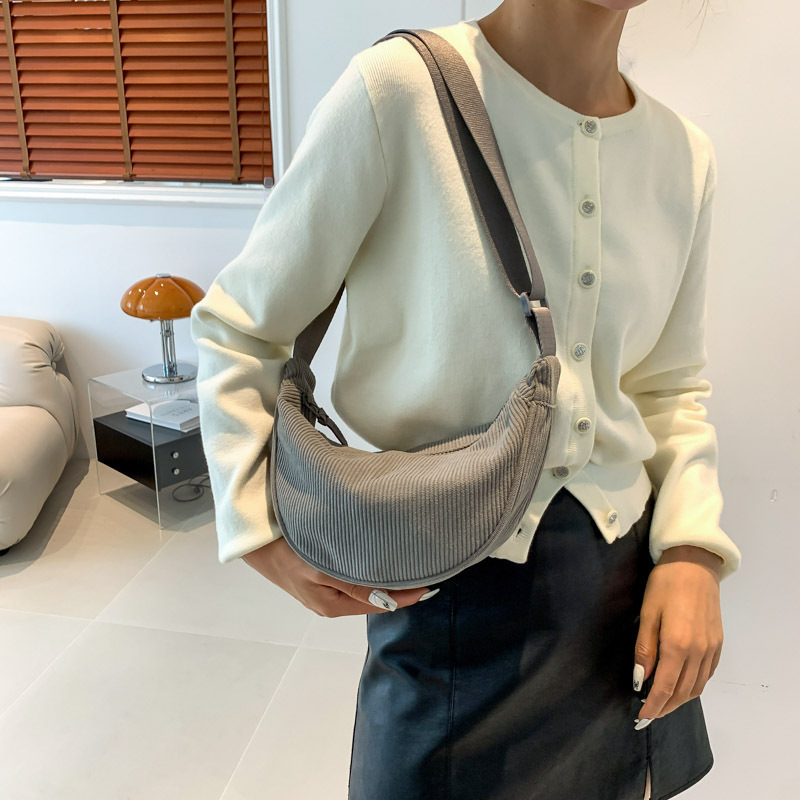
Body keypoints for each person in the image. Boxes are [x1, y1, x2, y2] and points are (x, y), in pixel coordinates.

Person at [189, 1, 742, 798]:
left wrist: (692, 555)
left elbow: (668, 387)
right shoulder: (398, 91)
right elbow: (241, 328)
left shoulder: (683, 156)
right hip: (442, 591)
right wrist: (259, 530)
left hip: (624, 599)